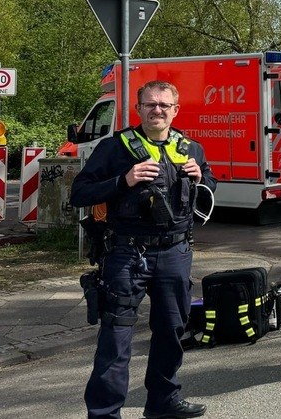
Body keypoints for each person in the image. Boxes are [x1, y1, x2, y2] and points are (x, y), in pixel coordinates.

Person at [70, 81, 216, 419]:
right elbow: (79, 193)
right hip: (126, 255)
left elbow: (209, 187)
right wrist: (125, 179)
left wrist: (202, 180)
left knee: (172, 332)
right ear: (138, 109)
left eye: (165, 105)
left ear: (176, 110)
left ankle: (163, 402)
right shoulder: (114, 148)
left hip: (176, 253)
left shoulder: (191, 148)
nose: (157, 110)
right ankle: (105, 413)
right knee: (116, 340)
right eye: (150, 104)